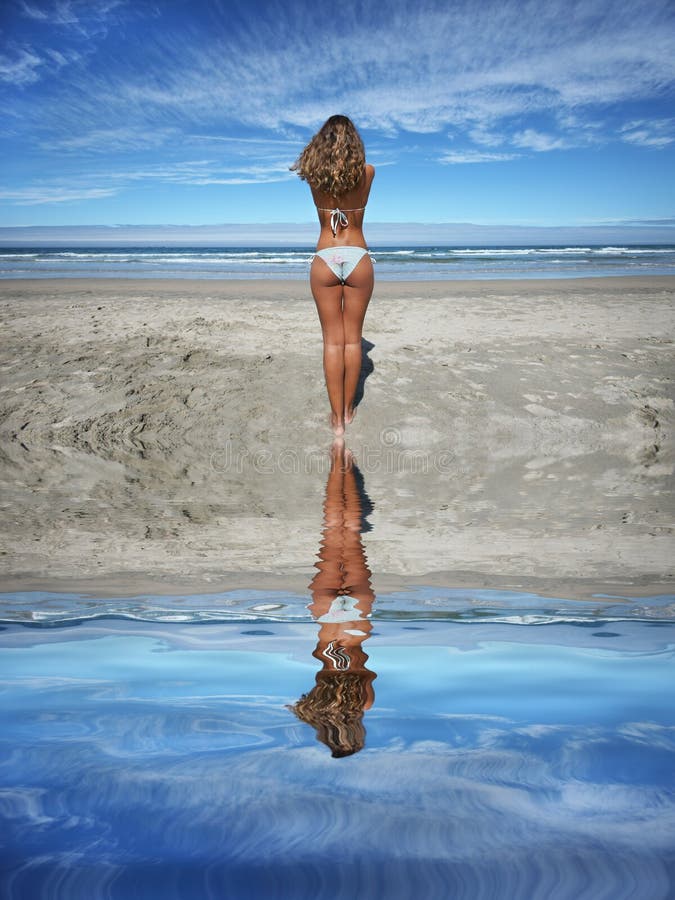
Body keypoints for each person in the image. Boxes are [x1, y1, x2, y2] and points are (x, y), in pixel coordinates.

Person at [291, 115, 375, 437]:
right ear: (354, 141)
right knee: (353, 340)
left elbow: (316, 165)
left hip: (326, 256)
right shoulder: (367, 173)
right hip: (357, 255)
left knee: (332, 342)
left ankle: (336, 418)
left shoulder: (315, 177)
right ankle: (349, 410)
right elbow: (363, 170)